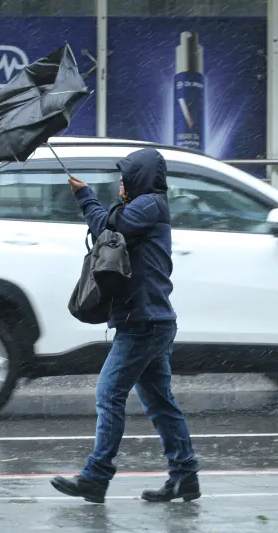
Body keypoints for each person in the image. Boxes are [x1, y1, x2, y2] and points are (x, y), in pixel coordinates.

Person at [50, 147, 200, 504]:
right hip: (149, 320)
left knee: (109, 394)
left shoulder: (149, 204)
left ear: (140, 177)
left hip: (144, 323)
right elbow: (112, 227)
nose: (121, 183)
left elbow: (108, 230)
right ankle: (185, 477)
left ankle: (96, 477)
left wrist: (85, 196)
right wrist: (90, 198)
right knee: (160, 403)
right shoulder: (143, 205)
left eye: (125, 177)